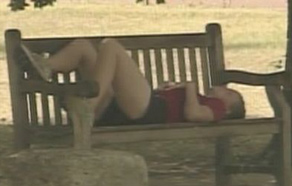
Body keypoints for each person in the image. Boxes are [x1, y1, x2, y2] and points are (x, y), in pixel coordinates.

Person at [20, 38, 245, 126]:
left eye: (230, 94)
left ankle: (86, 107)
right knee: (84, 47)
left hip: (149, 112)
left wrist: (190, 86)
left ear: (227, 109)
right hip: (122, 107)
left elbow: (195, 115)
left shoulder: (216, 108)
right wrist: (167, 90)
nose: (226, 89)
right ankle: (46, 67)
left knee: (111, 47)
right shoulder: (204, 100)